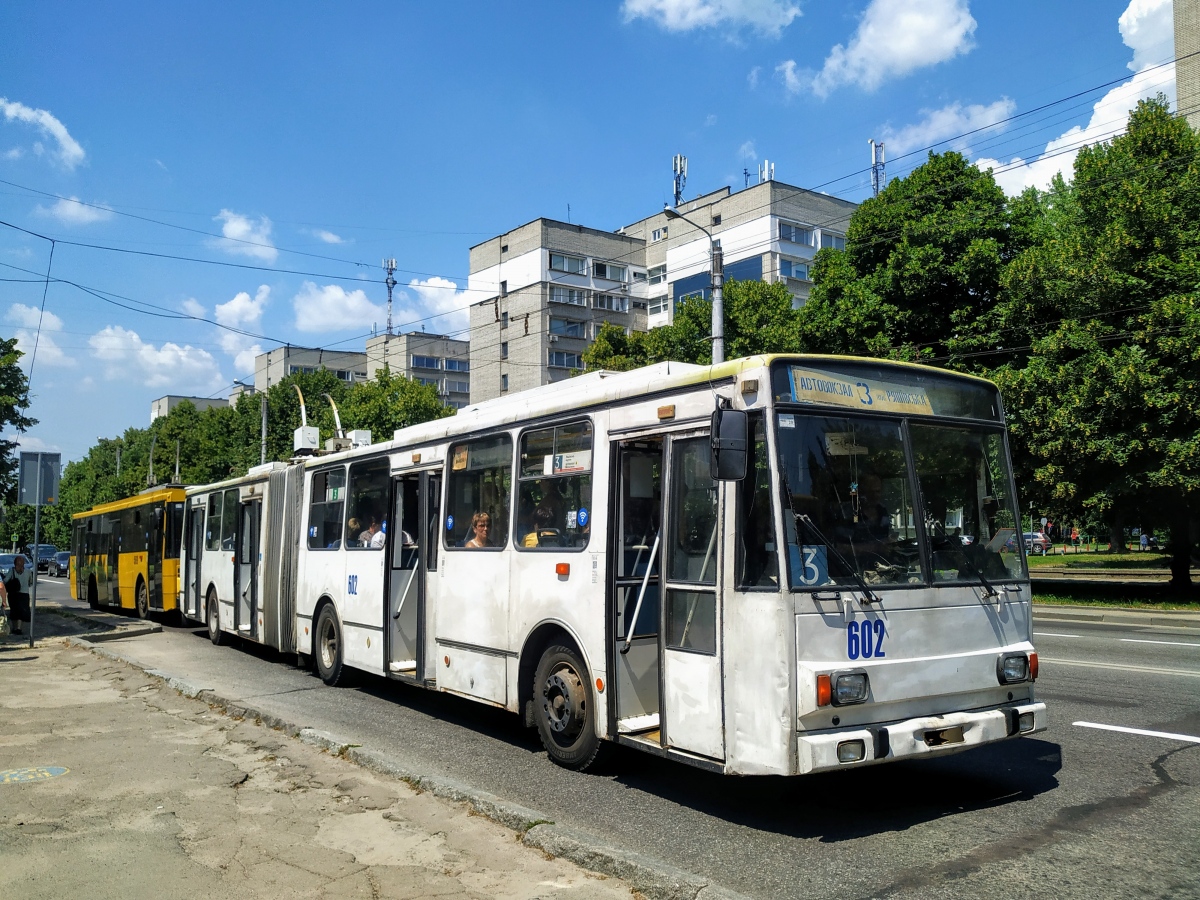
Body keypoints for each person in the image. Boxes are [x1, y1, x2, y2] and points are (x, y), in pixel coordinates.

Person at [6, 553, 34, 636]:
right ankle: (19, 628)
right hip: (24, 594)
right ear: (24, 563)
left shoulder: (12, 570)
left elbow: (6, 580)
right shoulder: (28, 571)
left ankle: (14, 628)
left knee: (14, 611)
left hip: (13, 594)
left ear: (15, 563)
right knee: (22, 611)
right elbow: (31, 582)